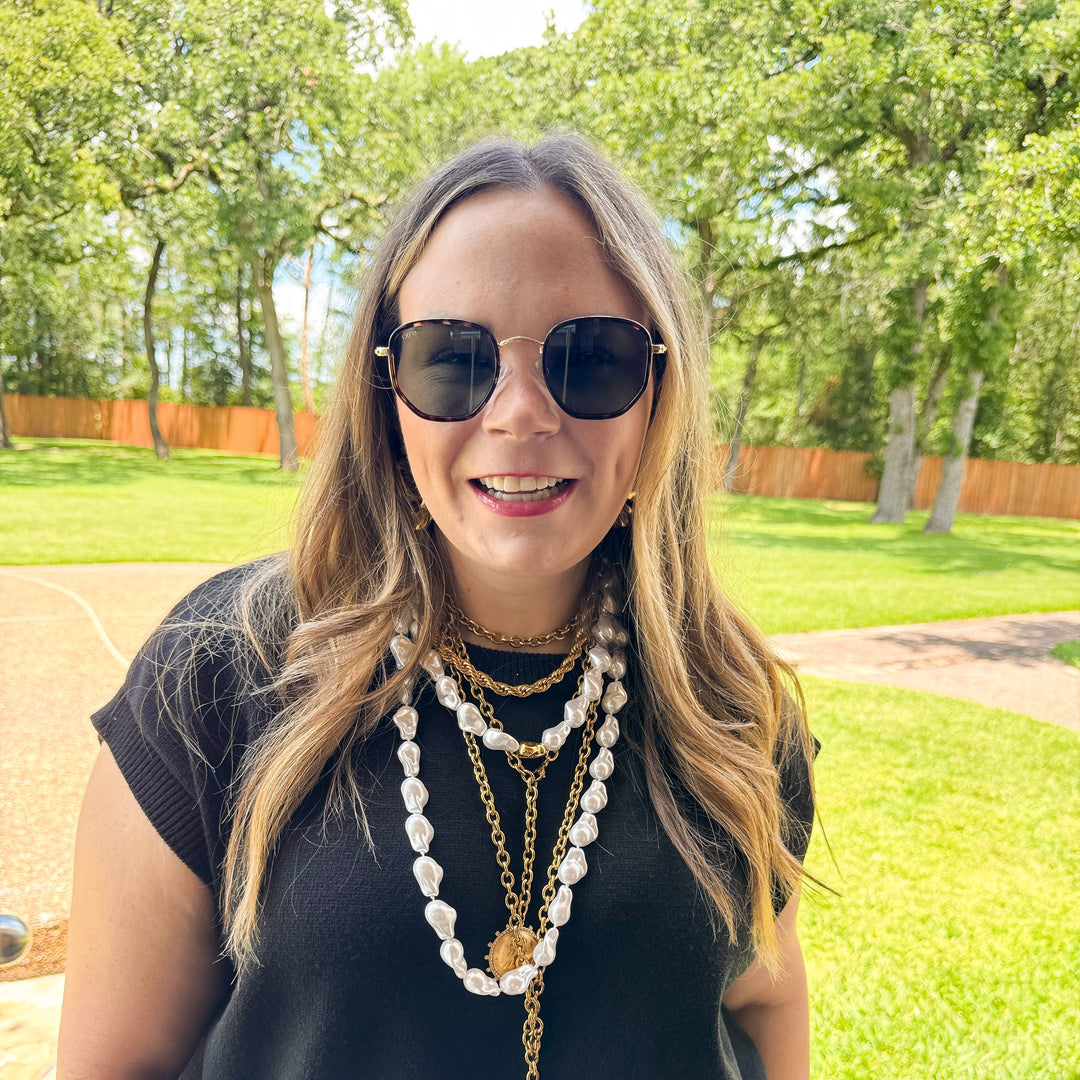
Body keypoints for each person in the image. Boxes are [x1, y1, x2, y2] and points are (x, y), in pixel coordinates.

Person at [58, 133, 817, 1080]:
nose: (520, 412)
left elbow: (766, 998)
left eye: (591, 358)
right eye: (454, 360)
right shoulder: (220, 669)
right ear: (387, 396)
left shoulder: (732, 700)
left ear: (659, 391)